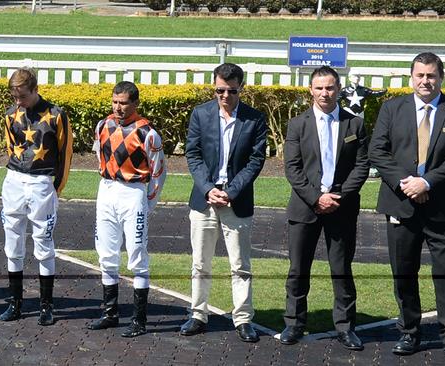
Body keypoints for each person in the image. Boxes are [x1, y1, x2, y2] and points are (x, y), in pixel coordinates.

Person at [369, 52, 445, 361]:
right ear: (412, 77)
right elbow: (378, 151)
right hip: (401, 204)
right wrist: (407, 183)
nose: (425, 81)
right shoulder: (391, 108)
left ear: (441, 78)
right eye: (420, 75)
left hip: (444, 207)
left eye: (431, 75)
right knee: (404, 272)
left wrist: (428, 182)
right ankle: (409, 332)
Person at [280, 66, 369, 350]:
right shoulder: (297, 124)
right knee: (298, 269)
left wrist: (337, 196)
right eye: (319, 88)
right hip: (305, 207)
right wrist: (316, 198)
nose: (324, 93)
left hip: (341, 208)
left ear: (339, 88)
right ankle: (294, 323)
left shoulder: (354, 124)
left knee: (341, 269)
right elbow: (292, 169)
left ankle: (345, 327)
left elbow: (361, 166)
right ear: (310, 90)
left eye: (330, 87)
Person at [180, 63, 267, 343]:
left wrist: (231, 191)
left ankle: (242, 318)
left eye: (231, 91)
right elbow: (192, 155)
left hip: (236, 200)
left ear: (241, 88)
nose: (225, 96)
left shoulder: (255, 119)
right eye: (219, 90)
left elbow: (256, 160)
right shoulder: (200, 114)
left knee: (240, 264)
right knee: (200, 263)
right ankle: (198, 314)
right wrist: (208, 189)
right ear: (214, 87)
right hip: (204, 199)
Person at [87, 81, 166, 338]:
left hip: (134, 193)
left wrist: (147, 202)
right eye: (115, 102)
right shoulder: (102, 125)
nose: (118, 108)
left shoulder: (148, 133)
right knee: (106, 254)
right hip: (107, 190)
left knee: (137, 256)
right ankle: (110, 313)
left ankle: (139, 320)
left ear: (135, 104)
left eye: (124, 103)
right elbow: (100, 155)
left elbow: (158, 172)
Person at [0, 67, 72, 325]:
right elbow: (10, 148)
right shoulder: (10, 115)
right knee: (13, 242)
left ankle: (46, 306)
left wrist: (56, 188)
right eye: (15, 97)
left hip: (42, 182)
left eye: (23, 97)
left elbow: (66, 154)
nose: (19, 102)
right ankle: (15, 303)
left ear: (35, 90)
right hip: (15, 180)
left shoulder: (56, 115)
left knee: (43, 242)